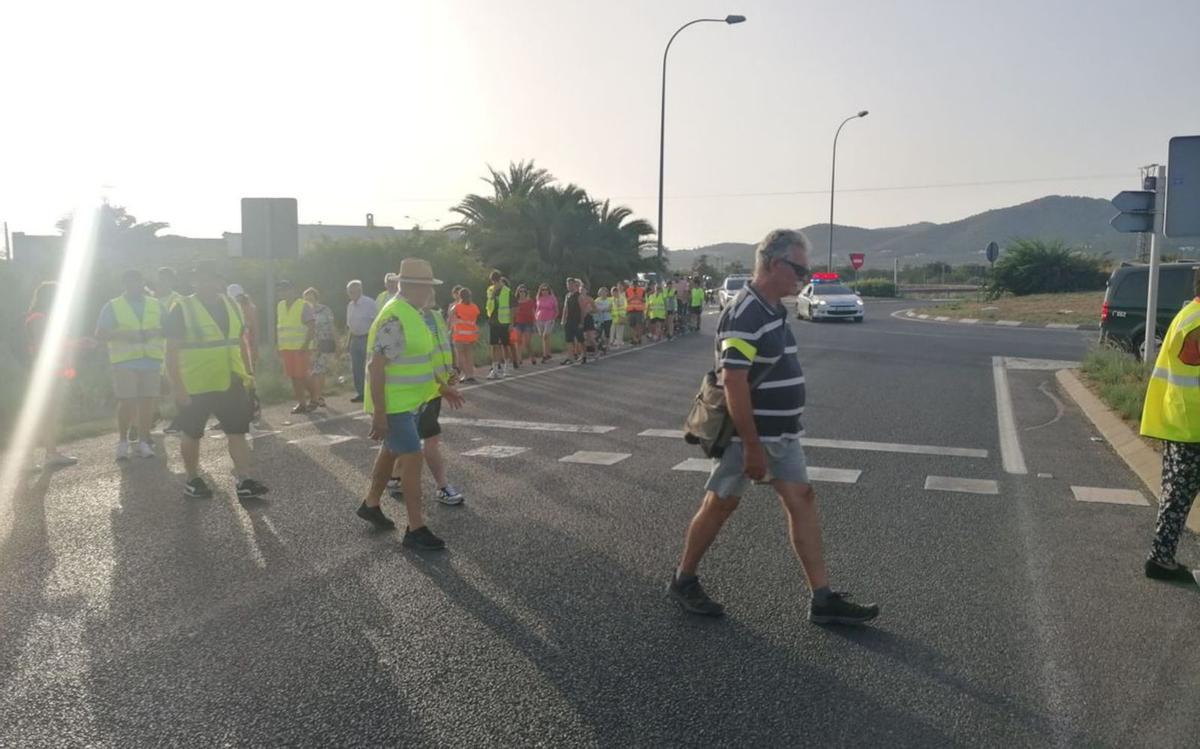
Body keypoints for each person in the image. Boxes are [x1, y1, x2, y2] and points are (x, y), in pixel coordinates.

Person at [668, 228, 880, 625]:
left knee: (802, 497)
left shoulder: (771, 307)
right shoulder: (745, 312)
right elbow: (733, 380)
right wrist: (750, 445)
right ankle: (683, 579)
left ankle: (822, 598)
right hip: (752, 435)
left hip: (781, 433)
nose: (804, 277)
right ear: (772, 263)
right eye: (798, 269)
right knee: (721, 503)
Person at [357, 258, 465, 549]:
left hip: (413, 401)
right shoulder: (395, 316)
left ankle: (371, 504)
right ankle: (416, 528)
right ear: (412, 287)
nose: (430, 292)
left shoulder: (413, 313)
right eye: (426, 287)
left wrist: (442, 389)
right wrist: (380, 413)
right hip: (396, 406)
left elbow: (419, 362)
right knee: (412, 460)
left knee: (389, 454)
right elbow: (375, 368)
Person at [164, 264, 268, 500]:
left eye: (211, 278)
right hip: (195, 383)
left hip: (230, 380)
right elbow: (170, 351)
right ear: (193, 282)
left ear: (219, 281)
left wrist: (249, 374)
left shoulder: (232, 304)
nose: (206, 283)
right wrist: (177, 386)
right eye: (201, 279)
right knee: (192, 433)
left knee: (238, 430)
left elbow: (240, 341)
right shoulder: (182, 308)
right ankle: (192, 479)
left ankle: (244, 480)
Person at [1140, 267, 1200, 583]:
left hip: (1181, 420)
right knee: (1177, 498)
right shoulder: (1197, 322)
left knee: (1174, 496)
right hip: (1193, 424)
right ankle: (1160, 560)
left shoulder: (1187, 314)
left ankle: (1160, 558)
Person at [387, 287, 467, 508]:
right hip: (423, 389)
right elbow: (419, 358)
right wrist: (442, 387)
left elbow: (441, 347)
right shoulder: (411, 318)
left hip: (435, 388)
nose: (429, 294)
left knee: (406, 441)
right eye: (426, 290)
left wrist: (450, 371)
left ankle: (394, 477)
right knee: (429, 440)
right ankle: (442, 487)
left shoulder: (436, 316)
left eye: (432, 291)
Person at [95, 269, 165, 460]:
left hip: (151, 359)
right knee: (127, 401)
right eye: (130, 283)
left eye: (138, 282)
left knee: (147, 402)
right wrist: (122, 334)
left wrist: (156, 331)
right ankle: (123, 441)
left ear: (143, 282)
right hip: (125, 360)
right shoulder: (113, 306)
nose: (135, 286)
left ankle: (144, 440)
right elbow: (100, 334)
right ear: (124, 285)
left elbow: (169, 328)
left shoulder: (156, 304)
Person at [24, 282, 78, 470]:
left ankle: (50, 453)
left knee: (47, 414)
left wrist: (76, 345)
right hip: (45, 373)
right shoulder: (39, 317)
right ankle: (28, 458)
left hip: (50, 371)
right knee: (41, 414)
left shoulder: (44, 317)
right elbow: (43, 344)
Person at [276, 280, 318, 413]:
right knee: (293, 376)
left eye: (286, 289)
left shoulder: (304, 305)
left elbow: (312, 326)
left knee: (302, 375)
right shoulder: (280, 305)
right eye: (281, 290)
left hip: (301, 347)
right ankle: (301, 403)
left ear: (293, 290)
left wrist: (305, 345)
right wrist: (279, 346)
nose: (284, 292)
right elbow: (281, 327)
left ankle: (315, 398)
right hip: (286, 347)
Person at [304, 287, 337, 409]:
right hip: (310, 345)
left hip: (324, 343)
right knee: (311, 372)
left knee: (319, 371)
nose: (309, 300)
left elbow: (332, 327)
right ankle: (319, 396)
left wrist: (338, 343)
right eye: (306, 299)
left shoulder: (325, 310)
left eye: (311, 297)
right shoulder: (304, 311)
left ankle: (315, 399)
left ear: (316, 298)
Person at [345, 279, 378, 403]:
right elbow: (349, 325)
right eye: (349, 292)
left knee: (369, 367)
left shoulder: (369, 303)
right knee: (356, 368)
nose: (351, 294)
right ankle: (361, 392)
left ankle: (371, 392)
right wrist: (347, 342)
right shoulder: (349, 306)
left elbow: (377, 322)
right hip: (355, 338)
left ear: (360, 290)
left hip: (368, 338)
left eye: (353, 291)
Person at [485, 270, 513, 379]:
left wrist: (511, 323)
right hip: (493, 321)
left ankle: (506, 368)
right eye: (493, 281)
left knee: (505, 346)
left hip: (504, 322)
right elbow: (489, 304)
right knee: (494, 346)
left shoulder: (507, 291)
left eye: (496, 280)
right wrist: (493, 294)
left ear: (500, 279)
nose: (495, 283)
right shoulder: (490, 290)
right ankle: (495, 370)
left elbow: (511, 308)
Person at [450, 287, 480, 382]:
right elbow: (475, 318)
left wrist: (457, 319)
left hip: (459, 335)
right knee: (469, 355)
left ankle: (465, 374)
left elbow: (451, 314)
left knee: (461, 356)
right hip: (471, 334)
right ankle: (470, 374)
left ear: (460, 296)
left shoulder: (457, 307)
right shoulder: (474, 307)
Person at [561, 277, 585, 365]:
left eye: (571, 284)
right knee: (569, 339)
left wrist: (582, 322)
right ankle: (570, 358)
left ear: (574, 284)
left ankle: (584, 355)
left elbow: (583, 310)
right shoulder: (567, 296)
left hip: (577, 320)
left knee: (580, 339)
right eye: (568, 284)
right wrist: (563, 320)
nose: (569, 286)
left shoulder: (579, 296)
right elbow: (565, 308)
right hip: (569, 321)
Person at [513, 285, 537, 366]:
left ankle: (532, 357)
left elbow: (534, 312)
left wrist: (535, 323)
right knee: (518, 341)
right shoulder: (515, 302)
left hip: (528, 323)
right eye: (520, 291)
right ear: (518, 292)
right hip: (518, 323)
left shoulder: (530, 301)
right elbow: (513, 313)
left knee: (527, 342)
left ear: (526, 292)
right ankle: (519, 359)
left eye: (523, 291)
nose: (522, 293)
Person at [534, 283, 558, 363]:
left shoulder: (552, 298)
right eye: (543, 290)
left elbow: (556, 309)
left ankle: (544, 355)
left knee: (545, 336)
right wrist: (535, 318)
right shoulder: (539, 298)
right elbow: (537, 308)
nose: (544, 291)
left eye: (546, 289)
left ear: (549, 290)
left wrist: (553, 318)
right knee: (544, 337)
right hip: (540, 319)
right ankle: (548, 353)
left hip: (549, 319)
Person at [626, 280, 646, 345]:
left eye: (635, 284)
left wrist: (638, 297)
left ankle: (639, 339)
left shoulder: (642, 290)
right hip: (631, 310)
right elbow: (626, 300)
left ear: (637, 284)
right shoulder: (628, 290)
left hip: (639, 310)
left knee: (638, 325)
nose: (634, 285)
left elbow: (644, 300)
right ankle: (635, 338)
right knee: (632, 326)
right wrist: (632, 297)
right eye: (633, 284)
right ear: (631, 284)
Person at [594, 287, 613, 355]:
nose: (603, 293)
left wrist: (602, 309)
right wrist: (602, 309)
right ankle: (601, 346)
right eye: (601, 292)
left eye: (604, 292)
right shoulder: (597, 300)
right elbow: (595, 308)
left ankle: (607, 345)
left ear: (607, 293)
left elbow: (609, 308)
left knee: (607, 333)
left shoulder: (609, 300)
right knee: (599, 333)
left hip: (608, 318)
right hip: (600, 319)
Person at [610, 281, 627, 348]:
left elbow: (625, 305)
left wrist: (622, 314)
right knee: (612, 329)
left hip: (621, 315)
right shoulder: (613, 297)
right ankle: (612, 341)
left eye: (621, 286)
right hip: (614, 316)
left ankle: (619, 342)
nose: (619, 287)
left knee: (620, 329)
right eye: (618, 286)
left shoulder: (623, 296)